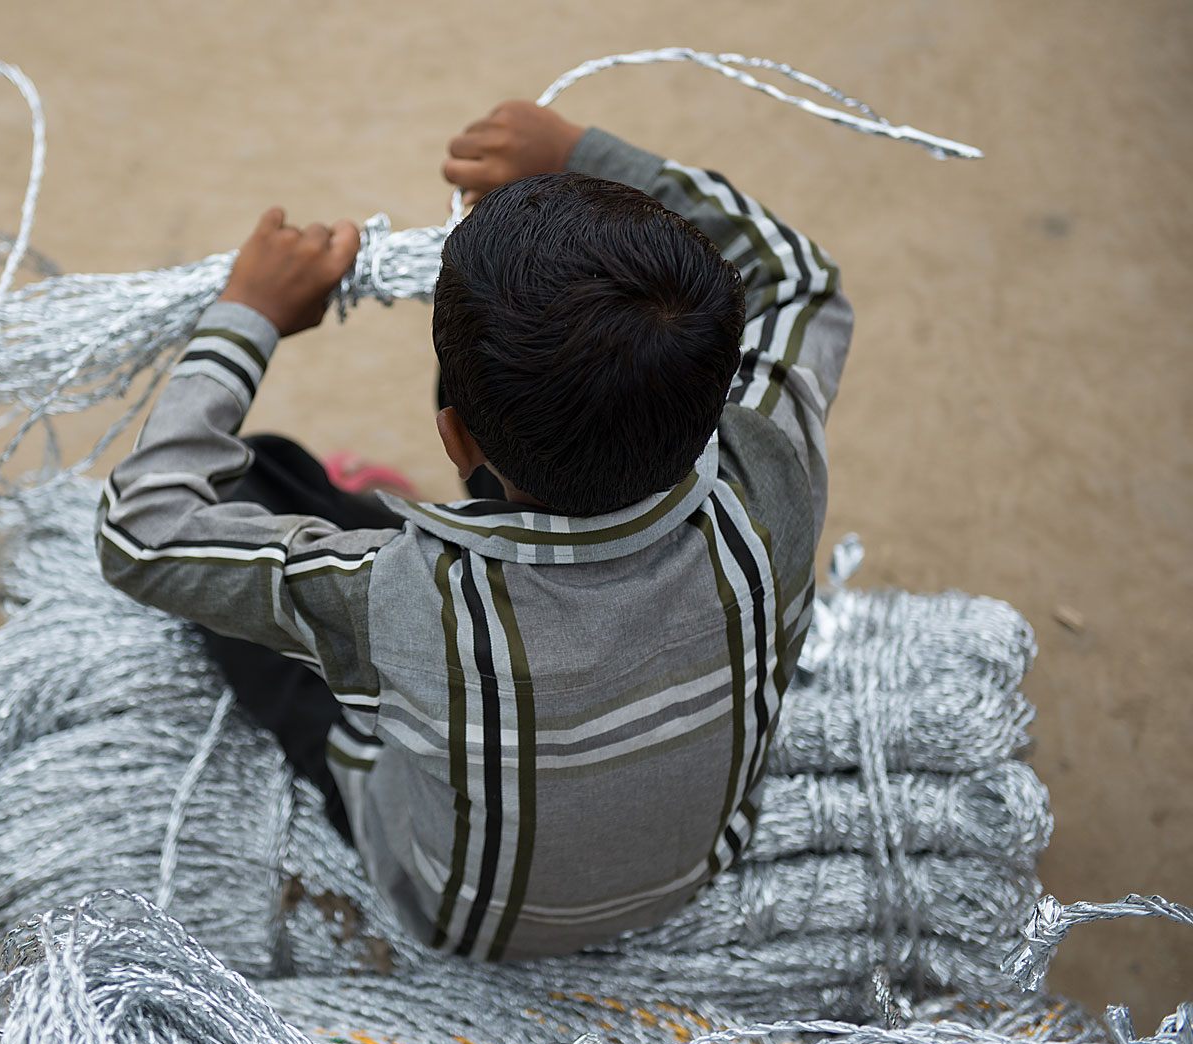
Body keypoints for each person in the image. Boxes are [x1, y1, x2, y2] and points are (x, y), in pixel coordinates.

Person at [97, 100, 852, 960]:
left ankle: (408, 534)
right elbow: (803, 279)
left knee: (258, 477)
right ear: (720, 395)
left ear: (456, 442)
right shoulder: (775, 469)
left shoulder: (403, 596)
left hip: (459, 916)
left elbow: (143, 531)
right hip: (695, 869)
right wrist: (582, 148)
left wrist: (249, 314)